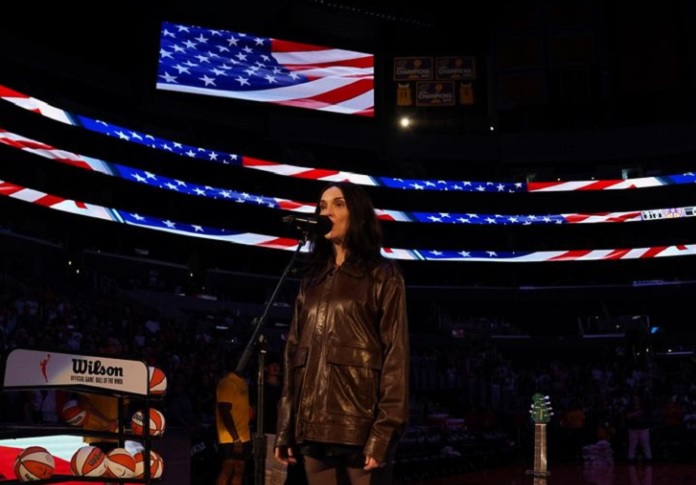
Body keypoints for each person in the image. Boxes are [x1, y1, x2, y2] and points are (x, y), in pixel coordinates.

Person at [274, 181, 410, 485]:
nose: (328, 212)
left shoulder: (383, 275)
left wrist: (383, 433)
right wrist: (285, 426)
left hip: (358, 430)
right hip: (311, 429)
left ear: (358, 214)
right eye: (323, 206)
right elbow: (291, 354)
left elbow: (396, 358)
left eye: (338, 204)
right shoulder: (311, 280)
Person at [78, 336, 125, 454]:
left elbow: (125, 404)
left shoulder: (123, 372)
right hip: (96, 432)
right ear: (102, 350)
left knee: (117, 469)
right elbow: (83, 402)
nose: (118, 349)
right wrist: (105, 422)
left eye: (119, 346)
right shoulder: (90, 370)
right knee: (96, 469)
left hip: (116, 431)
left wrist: (117, 422)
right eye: (114, 346)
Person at [216, 354, 253, 485]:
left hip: (244, 435)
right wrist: (236, 438)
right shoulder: (226, 382)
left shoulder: (243, 381)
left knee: (239, 469)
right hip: (229, 436)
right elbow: (224, 411)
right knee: (228, 468)